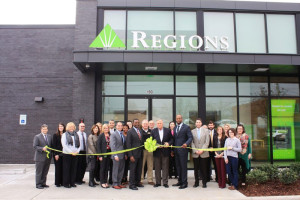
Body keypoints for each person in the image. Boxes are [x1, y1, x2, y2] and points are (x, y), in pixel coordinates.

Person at [151, 119, 173, 188]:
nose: (159, 124)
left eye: (160, 123)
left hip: (165, 152)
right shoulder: (153, 131)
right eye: (158, 123)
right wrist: (156, 145)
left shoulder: (168, 130)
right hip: (156, 152)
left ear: (162, 124)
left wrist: (168, 143)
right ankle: (158, 182)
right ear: (156, 124)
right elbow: (151, 141)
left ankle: (165, 182)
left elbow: (172, 139)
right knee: (157, 168)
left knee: (165, 168)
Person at [172, 114, 192, 189]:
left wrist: (186, 144)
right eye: (177, 118)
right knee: (178, 167)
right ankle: (180, 181)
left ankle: (184, 183)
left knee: (183, 167)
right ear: (176, 119)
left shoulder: (186, 127)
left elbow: (190, 137)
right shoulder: (175, 127)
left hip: (183, 151)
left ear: (182, 119)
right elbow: (174, 139)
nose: (178, 119)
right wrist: (172, 150)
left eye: (179, 118)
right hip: (176, 151)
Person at [191, 118, 210, 188]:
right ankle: (196, 183)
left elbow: (207, 142)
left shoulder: (206, 131)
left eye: (199, 122)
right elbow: (192, 142)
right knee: (196, 169)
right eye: (197, 122)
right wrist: (195, 150)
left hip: (203, 153)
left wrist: (202, 150)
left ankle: (204, 183)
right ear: (195, 123)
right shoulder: (192, 131)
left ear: (201, 123)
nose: (198, 123)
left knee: (204, 169)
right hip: (195, 153)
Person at [61, 122, 81, 188]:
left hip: (75, 154)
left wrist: (77, 151)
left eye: (73, 127)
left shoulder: (76, 134)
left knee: (73, 169)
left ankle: (72, 182)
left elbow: (79, 145)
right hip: (67, 154)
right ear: (67, 128)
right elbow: (64, 145)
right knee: (67, 169)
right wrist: (71, 152)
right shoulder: (64, 135)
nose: (71, 128)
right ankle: (66, 183)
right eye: (70, 127)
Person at [126, 119, 144, 190]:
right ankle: (132, 184)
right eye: (136, 122)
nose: (137, 123)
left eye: (138, 122)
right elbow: (128, 144)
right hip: (133, 155)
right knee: (133, 170)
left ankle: (137, 182)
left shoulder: (140, 130)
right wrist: (130, 155)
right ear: (133, 123)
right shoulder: (130, 131)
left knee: (139, 169)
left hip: (140, 154)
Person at [33, 124, 52, 189]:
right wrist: (42, 148)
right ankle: (38, 184)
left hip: (47, 157)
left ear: (47, 129)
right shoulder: (37, 137)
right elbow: (35, 146)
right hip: (40, 158)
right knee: (39, 172)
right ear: (41, 129)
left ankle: (43, 183)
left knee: (45, 171)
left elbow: (50, 146)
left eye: (46, 129)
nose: (45, 130)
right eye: (43, 129)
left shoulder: (49, 137)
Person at [110, 122, 126, 189]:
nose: (120, 127)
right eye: (118, 125)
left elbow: (123, 145)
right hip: (116, 156)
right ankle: (115, 183)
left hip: (122, 155)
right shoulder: (114, 134)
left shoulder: (122, 134)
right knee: (116, 170)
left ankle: (119, 182)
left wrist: (125, 154)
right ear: (116, 126)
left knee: (121, 170)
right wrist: (115, 155)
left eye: (121, 125)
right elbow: (112, 145)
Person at [97, 124, 112, 188]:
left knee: (107, 168)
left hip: (109, 153)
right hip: (103, 154)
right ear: (103, 129)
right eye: (105, 128)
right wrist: (100, 155)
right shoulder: (101, 135)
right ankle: (102, 182)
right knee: (103, 168)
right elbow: (98, 146)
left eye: (107, 128)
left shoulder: (110, 135)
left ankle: (106, 181)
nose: (106, 129)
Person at [141, 119, 154, 185]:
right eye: (144, 124)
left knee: (150, 165)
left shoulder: (151, 131)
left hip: (150, 150)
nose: (145, 125)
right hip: (142, 151)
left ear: (148, 125)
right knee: (142, 166)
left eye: (146, 124)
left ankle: (150, 179)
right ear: (142, 125)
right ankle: (141, 179)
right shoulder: (140, 132)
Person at [52, 123, 65, 187]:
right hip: (57, 155)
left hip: (64, 154)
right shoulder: (55, 135)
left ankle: (62, 182)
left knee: (63, 168)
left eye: (62, 126)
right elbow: (54, 145)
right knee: (58, 168)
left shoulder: (65, 135)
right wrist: (56, 154)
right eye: (59, 126)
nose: (61, 127)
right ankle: (57, 183)